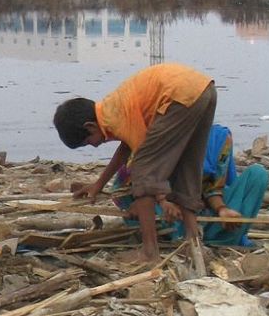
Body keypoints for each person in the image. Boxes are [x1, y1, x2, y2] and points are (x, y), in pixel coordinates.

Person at [53, 62, 217, 263]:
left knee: (142, 174)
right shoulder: (112, 109)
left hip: (178, 96)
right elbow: (126, 148)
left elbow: (144, 164)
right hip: (203, 89)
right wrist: (99, 184)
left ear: (90, 126)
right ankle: (194, 243)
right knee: (187, 164)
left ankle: (150, 251)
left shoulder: (115, 116)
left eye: (88, 141)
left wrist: (161, 200)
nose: (94, 146)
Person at [113, 124, 269, 247]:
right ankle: (181, 238)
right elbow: (137, 180)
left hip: (199, 207)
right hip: (160, 205)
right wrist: (160, 201)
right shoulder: (159, 137)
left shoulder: (220, 139)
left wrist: (222, 209)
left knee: (258, 174)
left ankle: (220, 237)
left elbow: (212, 187)